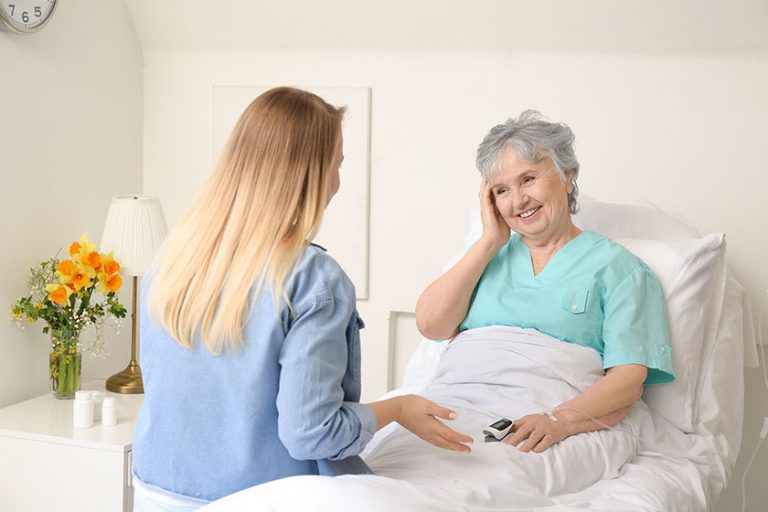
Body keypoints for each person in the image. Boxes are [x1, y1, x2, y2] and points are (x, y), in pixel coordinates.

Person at [131, 87, 472, 511]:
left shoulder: (176, 254)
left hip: (155, 492)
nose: (338, 181)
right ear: (310, 173)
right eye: (337, 164)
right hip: (269, 498)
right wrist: (397, 408)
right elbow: (313, 433)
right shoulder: (311, 277)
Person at [415, 110, 675, 455]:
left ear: (567, 177)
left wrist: (560, 420)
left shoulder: (620, 269)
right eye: (501, 190)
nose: (518, 200)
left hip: (545, 423)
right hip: (457, 407)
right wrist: (489, 241)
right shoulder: (483, 259)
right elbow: (431, 325)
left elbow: (628, 380)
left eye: (528, 179)